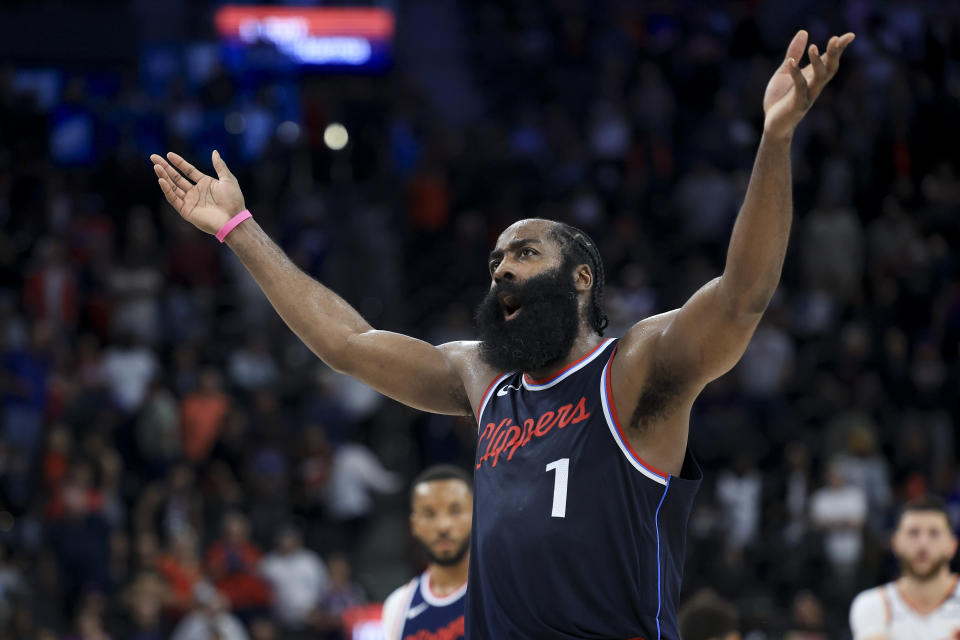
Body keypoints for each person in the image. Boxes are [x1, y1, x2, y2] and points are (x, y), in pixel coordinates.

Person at [151, 29, 854, 639]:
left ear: (582, 279)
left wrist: (776, 138)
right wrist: (240, 232)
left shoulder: (634, 368)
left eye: (524, 255)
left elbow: (743, 297)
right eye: (494, 263)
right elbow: (348, 344)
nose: (502, 273)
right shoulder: (483, 377)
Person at [848, 496, 960, 639]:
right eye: (913, 533)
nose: (923, 544)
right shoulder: (873, 603)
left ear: (952, 545)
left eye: (934, 533)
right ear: (895, 543)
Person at [381, 465, 472, 640]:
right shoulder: (397, 605)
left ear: (476, 515)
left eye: (455, 511)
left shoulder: (501, 593)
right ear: (414, 525)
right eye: (429, 514)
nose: (443, 526)